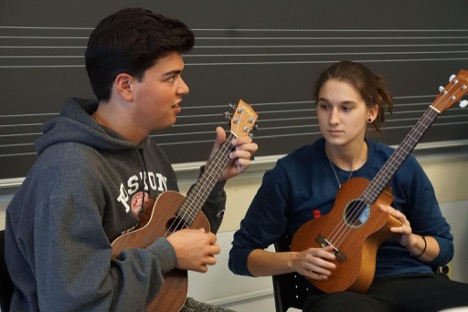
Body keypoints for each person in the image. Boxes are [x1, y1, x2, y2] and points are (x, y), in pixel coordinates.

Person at [5, 7, 257, 312]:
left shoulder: (149, 152)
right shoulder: (67, 173)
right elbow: (73, 304)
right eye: (170, 77)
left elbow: (179, 237)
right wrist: (167, 255)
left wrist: (214, 181)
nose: (184, 88)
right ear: (126, 86)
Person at [229, 60, 468, 311]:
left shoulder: (404, 166)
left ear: (371, 112)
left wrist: (413, 242)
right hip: (340, 295)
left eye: (346, 108)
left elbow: (445, 249)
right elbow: (240, 256)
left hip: (413, 281)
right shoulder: (289, 173)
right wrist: (295, 261)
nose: (333, 119)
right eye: (324, 106)